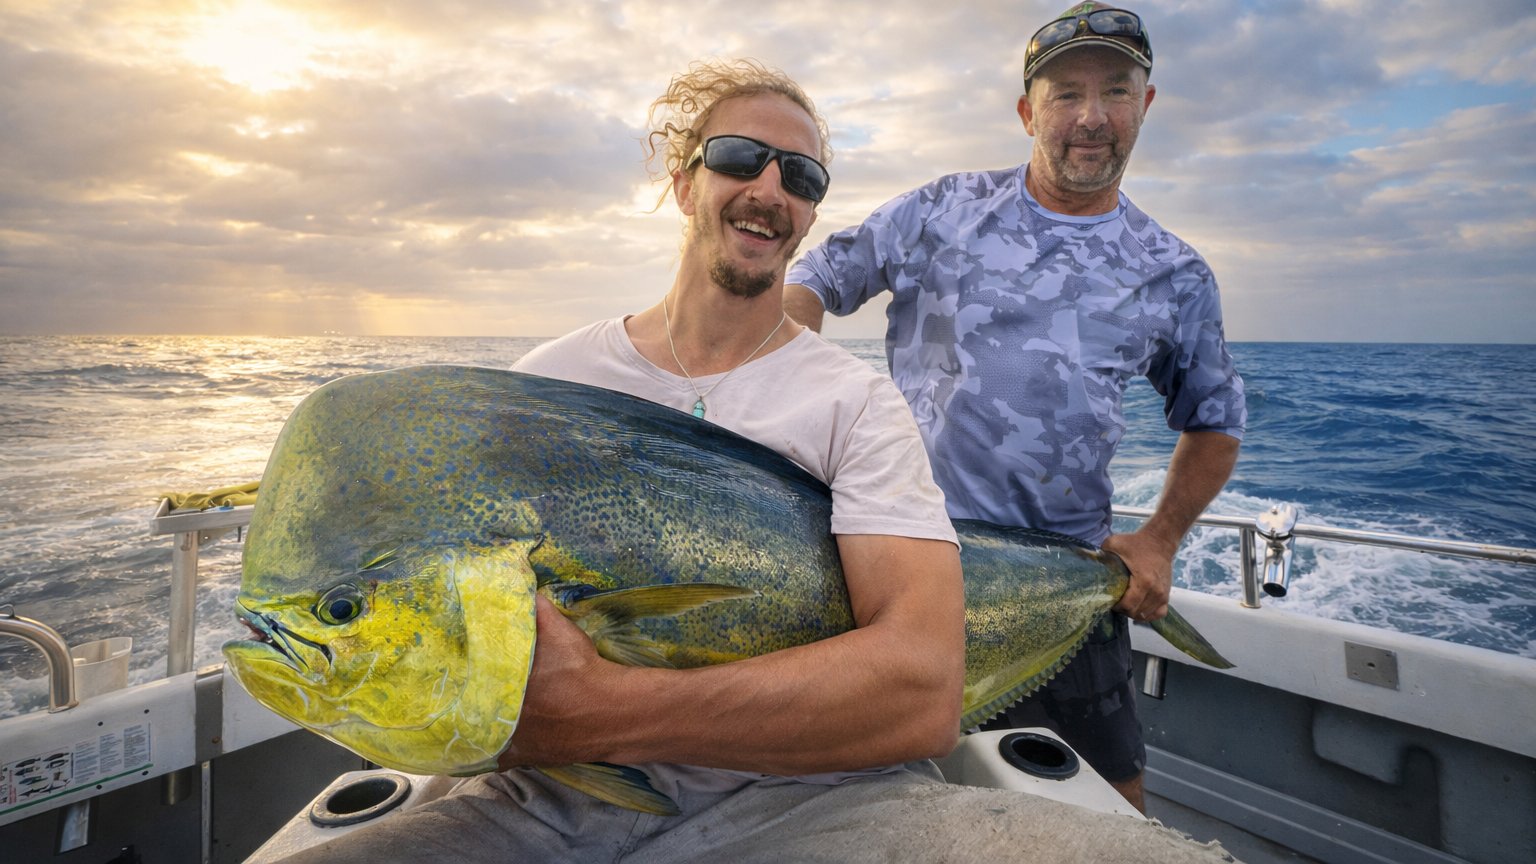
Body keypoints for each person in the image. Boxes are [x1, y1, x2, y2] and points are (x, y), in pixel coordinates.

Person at [275, 58, 1238, 864]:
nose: (772, 189)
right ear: (683, 181)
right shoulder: (551, 381)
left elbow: (921, 691)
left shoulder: (855, 403)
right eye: (741, 158)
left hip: (820, 800)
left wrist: (604, 710)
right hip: (545, 803)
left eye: (803, 178)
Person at [784, 2, 1246, 815]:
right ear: (1029, 111)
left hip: (1062, 582)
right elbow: (810, 282)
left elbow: (1214, 417)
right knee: (871, 801)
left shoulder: (1174, 272)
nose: (1091, 117)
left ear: (1147, 103)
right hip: (905, 567)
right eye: (1066, 94)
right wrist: (785, 409)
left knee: (1114, 811)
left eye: (1116, 91)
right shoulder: (941, 212)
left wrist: (1160, 540)